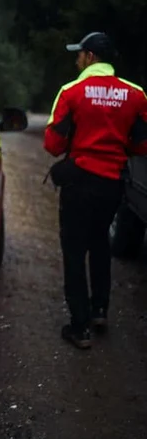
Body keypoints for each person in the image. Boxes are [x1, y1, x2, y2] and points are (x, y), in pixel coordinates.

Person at [44, 32, 147, 349]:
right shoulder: (136, 94)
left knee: (74, 251)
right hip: (112, 184)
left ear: (89, 57)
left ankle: (79, 327)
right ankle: (100, 310)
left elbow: (52, 144)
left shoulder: (71, 92)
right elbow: (141, 145)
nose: (77, 60)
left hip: (78, 182)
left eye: (79, 55)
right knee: (100, 242)